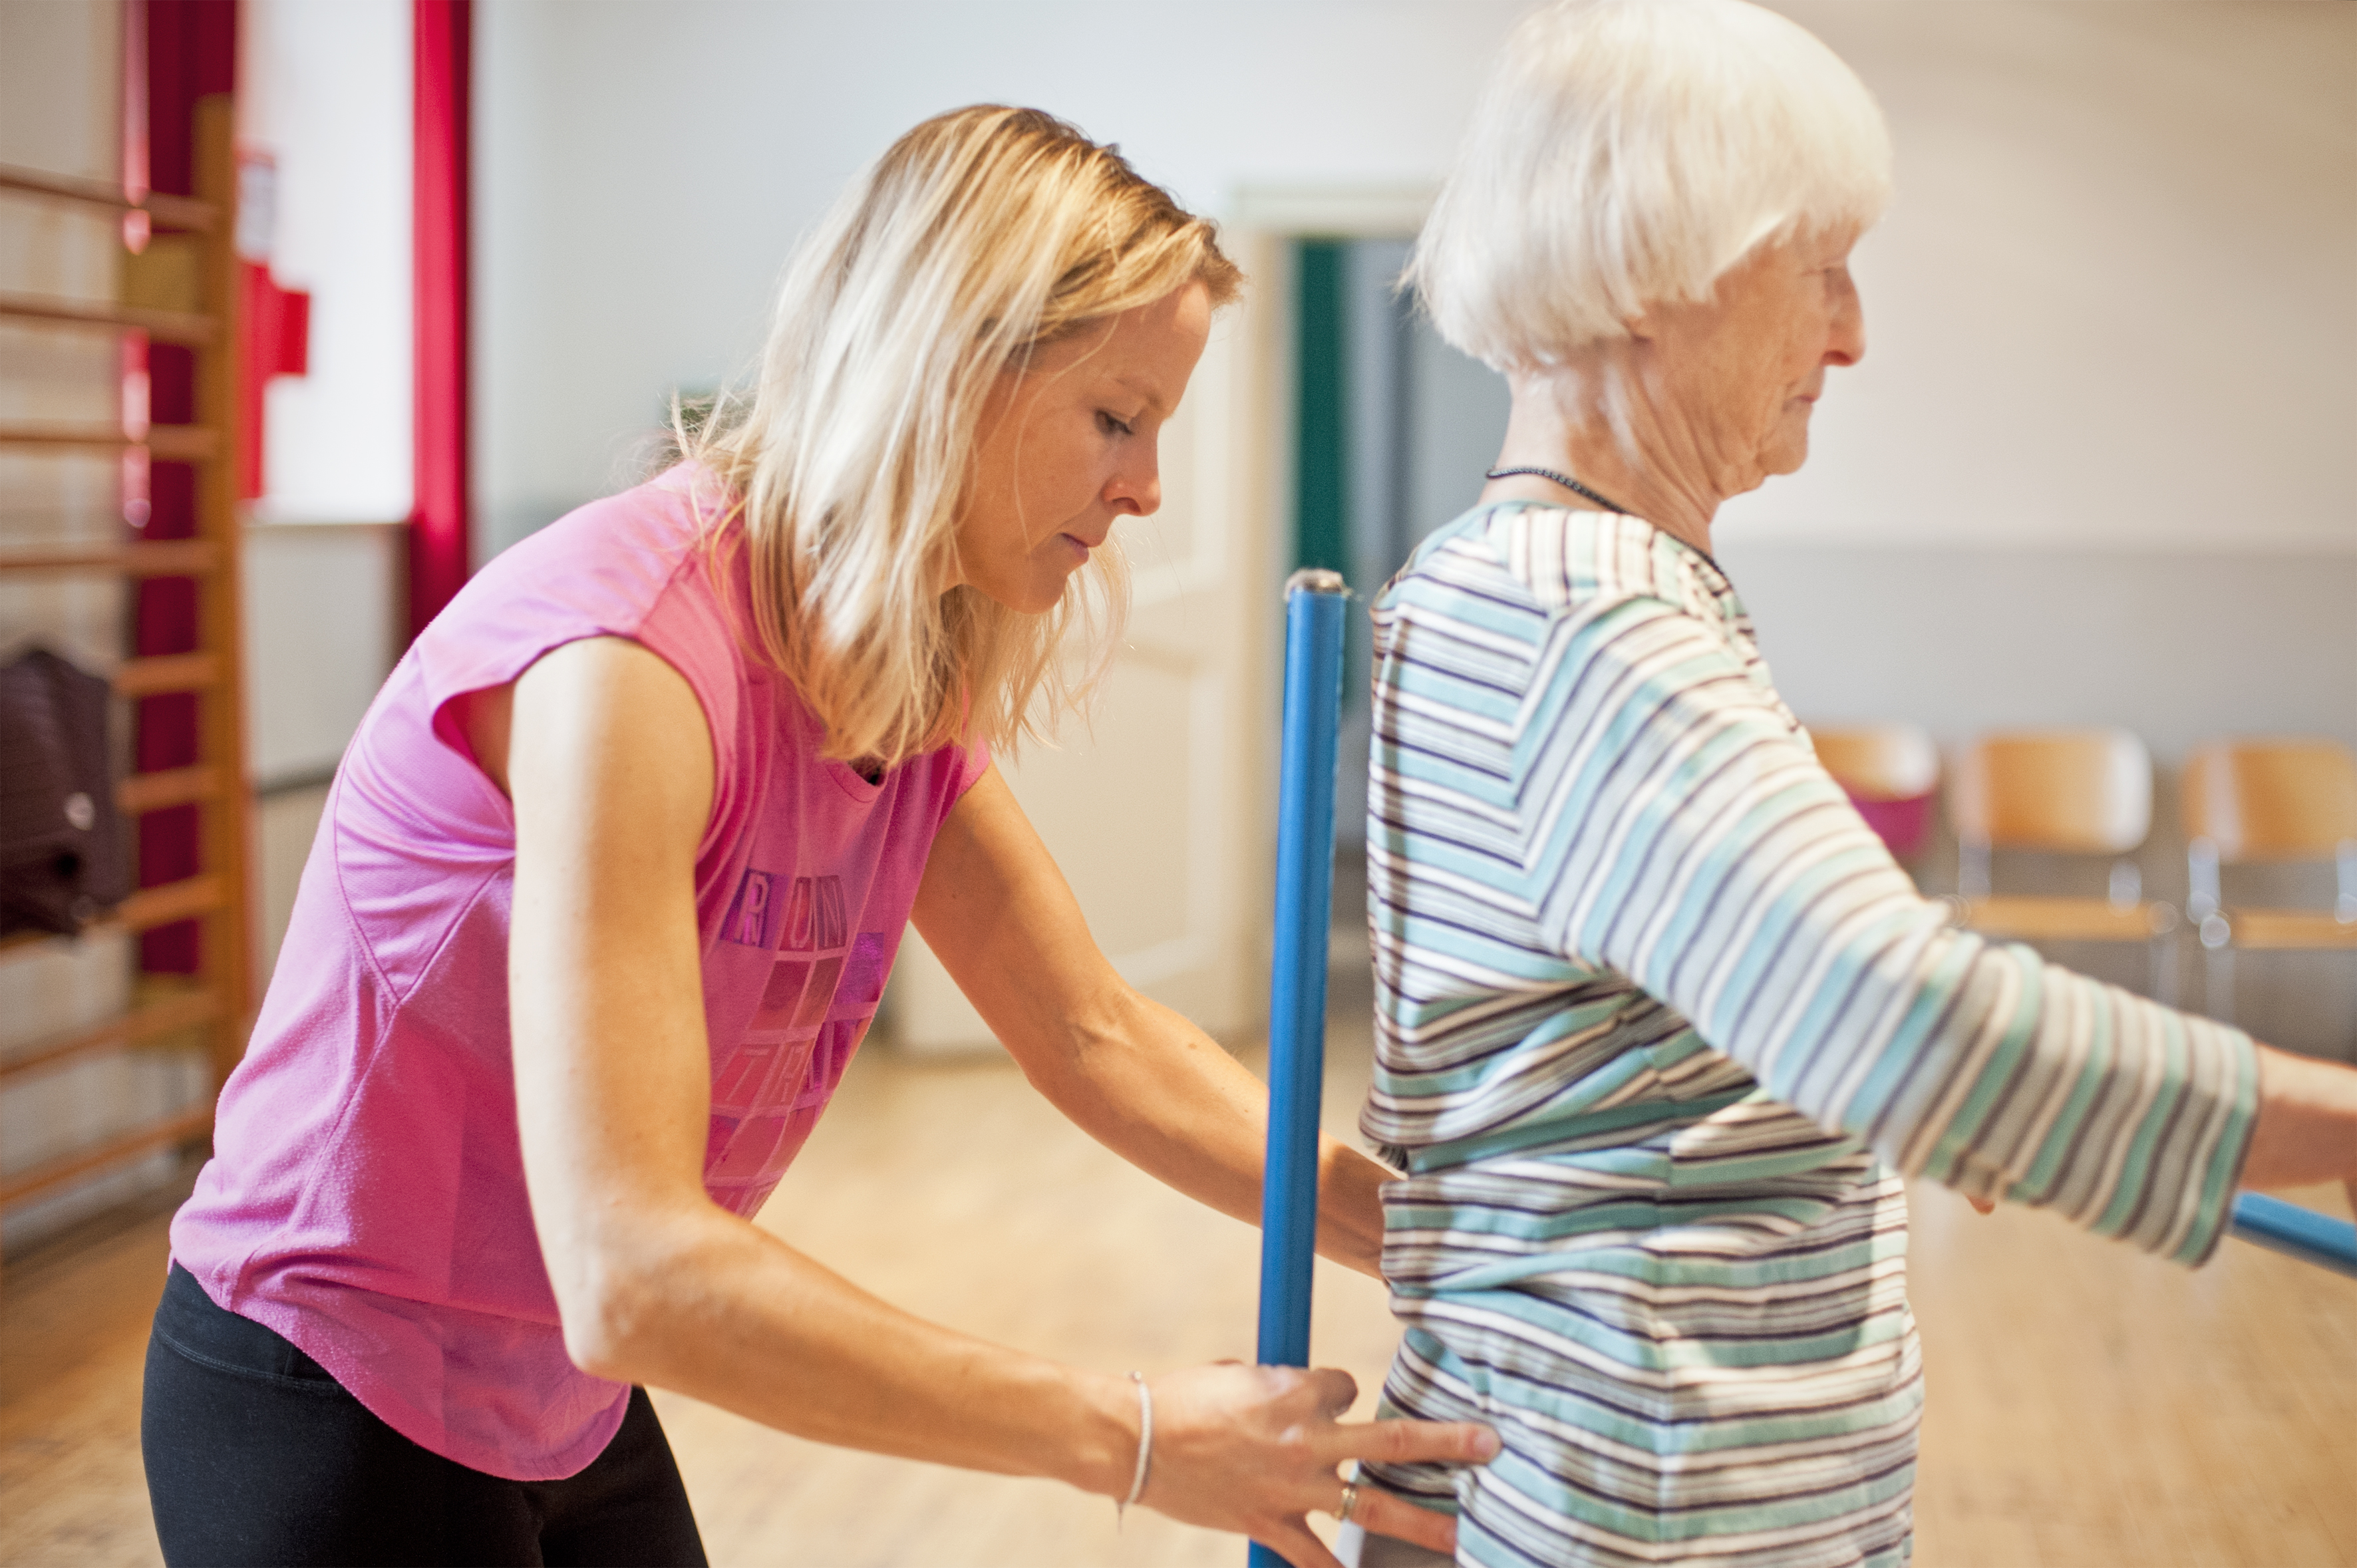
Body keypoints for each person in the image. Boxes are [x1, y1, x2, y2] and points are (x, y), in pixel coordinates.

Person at [142, 106, 1495, 1568]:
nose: (1147, 488)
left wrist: (1434, 1241)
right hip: (328, 1379)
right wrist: (1142, 1437)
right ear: (950, 373)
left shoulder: (883, 681)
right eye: (1116, 418)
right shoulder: (629, 665)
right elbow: (638, 1268)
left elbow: (1094, 1034)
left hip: (556, 1394)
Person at [1333, 4, 2357, 1565]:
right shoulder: (1589, 625)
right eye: (1817, 264)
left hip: (1588, 1452)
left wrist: (1911, 1104)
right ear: (1659, 265)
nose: (1850, 331)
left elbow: (1611, 1058)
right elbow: (1907, 1028)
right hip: (1661, 1489)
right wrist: (2336, 1124)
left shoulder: (1481, 579)